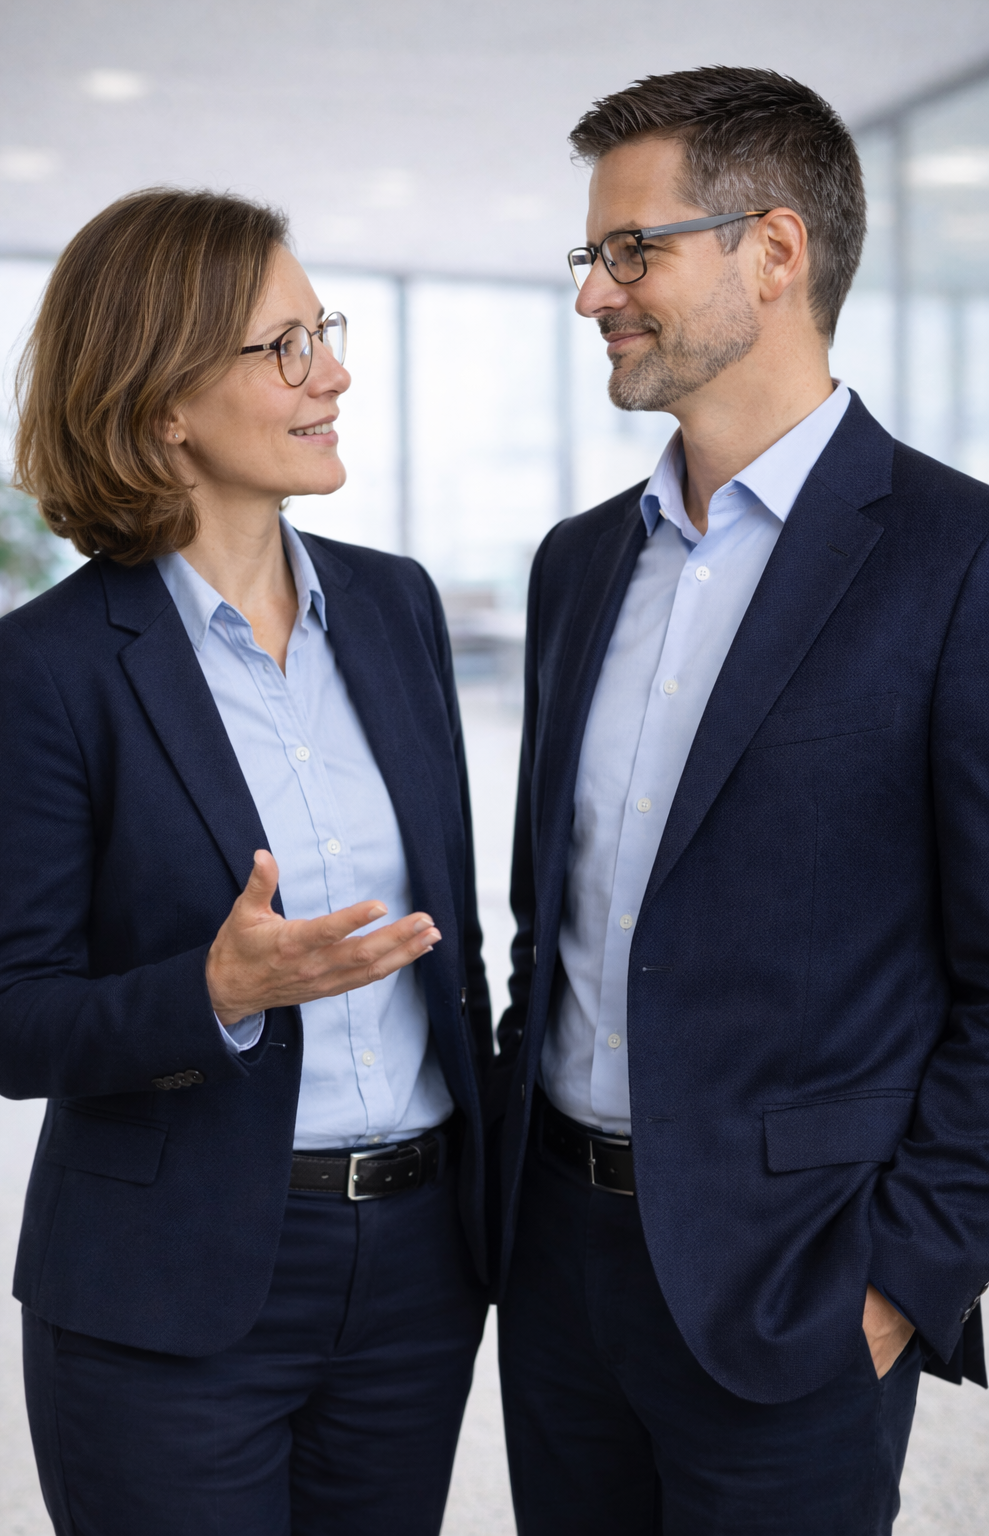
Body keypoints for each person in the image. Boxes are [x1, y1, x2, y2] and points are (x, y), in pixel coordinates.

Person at [491, 66, 989, 1535]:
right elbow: (546, 920)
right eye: (592, 254)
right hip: (557, 1267)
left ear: (775, 251)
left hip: (799, 1287)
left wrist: (903, 1278)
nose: (595, 294)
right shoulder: (578, 563)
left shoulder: (959, 558)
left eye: (631, 250)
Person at [0, 188, 491, 1536]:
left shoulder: (397, 607)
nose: (334, 375)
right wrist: (216, 993)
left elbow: (462, 948)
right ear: (164, 407)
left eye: (326, 331)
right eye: (285, 347)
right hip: (165, 1289)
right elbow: (8, 1021)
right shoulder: (45, 667)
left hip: (416, 1275)